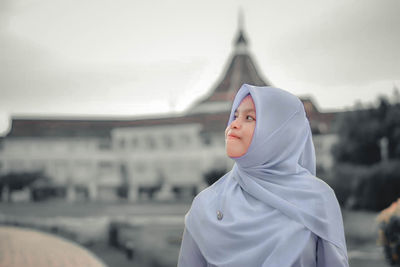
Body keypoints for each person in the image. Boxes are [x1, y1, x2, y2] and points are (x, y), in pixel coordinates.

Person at [178, 84, 349, 267]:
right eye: (235, 116)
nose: (233, 124)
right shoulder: (206, 204)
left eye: (249, 117)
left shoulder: (318, 199)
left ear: (280, 132)